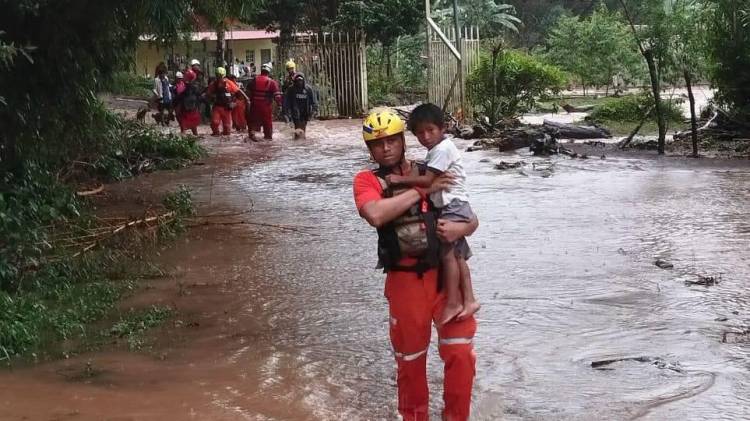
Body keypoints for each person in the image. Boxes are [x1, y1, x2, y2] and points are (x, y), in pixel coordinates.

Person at [353, 109, 478, 421]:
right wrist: (421, 190)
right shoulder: (366, 180)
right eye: (378, 144)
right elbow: (376, 214)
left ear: (402, 141)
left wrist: (462, 229)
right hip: (405, 283)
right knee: (410, 361)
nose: (386, 148)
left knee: (461, 354)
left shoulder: (432, 168)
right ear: (370, 149)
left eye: (392, 140)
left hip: (446, 278)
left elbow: (471, 216)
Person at [383, 103, 480, 325]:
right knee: (458, 255)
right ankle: (470, 299)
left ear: (443, 128)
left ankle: (454, 302)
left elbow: (427, 181)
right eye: (419, 133)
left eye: (430, 130)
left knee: (448, 255)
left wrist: (399, 180)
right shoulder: (436, 151)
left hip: (453, 205)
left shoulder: (443, 149)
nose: (425, 136)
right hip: (456, 204)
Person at [205, 66, 250, 136]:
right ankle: (216, 133)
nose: (218, 76)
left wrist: (246, 98)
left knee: (227, 127)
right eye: (217, 75)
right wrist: (210, 98)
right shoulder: (213, 84)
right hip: (217, 107)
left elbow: (238, 91)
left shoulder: (229, 83)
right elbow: (208, 93)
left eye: (219, 75)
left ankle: (226, 136)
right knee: (215, 122)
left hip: (227, 108)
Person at [245, 62, 282, 141]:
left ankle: (252, 136)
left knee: (253, 124)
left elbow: (247, 93)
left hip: (254, 106)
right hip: (266, 107)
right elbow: (277, 96)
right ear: (269, 72)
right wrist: (279, 105)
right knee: (267, 126)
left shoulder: (254, 80)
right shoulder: (272, 82)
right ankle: (267, 138)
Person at [282, 73, 317, 140]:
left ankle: (302, 143)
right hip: (295, 111)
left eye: (301, 80)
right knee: (297, 129)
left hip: (305, 111)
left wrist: (313, 111)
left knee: (303, 129)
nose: (299, 82)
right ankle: (297, 143)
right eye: (297, 80)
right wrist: (286, 112)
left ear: (303, 80)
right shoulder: (291, 89)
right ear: (295, 81)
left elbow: (313, 101)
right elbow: (286, 101)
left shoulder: (308, 89)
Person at [173, 69, 201, 135]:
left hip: (186, 109)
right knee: (194, 129)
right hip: (192, 109)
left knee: (184, 127)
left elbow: (180, 96)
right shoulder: (194, 87)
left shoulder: (187, 87)